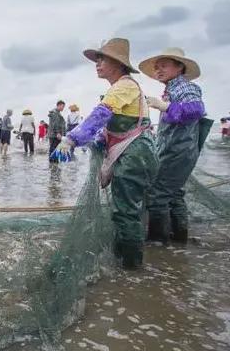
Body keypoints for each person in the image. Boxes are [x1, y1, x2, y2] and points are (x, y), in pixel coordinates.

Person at [55, 37, 158, 268]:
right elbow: (113, 126)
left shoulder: (125, 85)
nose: (97, 63)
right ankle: (128, 262)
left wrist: (72, 139)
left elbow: (102, 114)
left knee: (126, 213)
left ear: (119, 64)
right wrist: (98, 140)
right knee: (125, 210)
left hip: (134, 156)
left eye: (103, 59)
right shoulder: (120, 87)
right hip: (132, 154)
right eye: (97, 59)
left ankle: (131, 272)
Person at [140, 47, 209, 244]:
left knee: (157, 194)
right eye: (156, 67)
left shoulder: (184, 87)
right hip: (176, 150)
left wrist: (165, 106)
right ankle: (179, 239)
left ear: (179, 67)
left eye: (163, 66)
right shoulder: (171, 89)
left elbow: (196, 109)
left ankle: (158, 243)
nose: (158, 70)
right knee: (174, 193)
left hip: (179, 150)